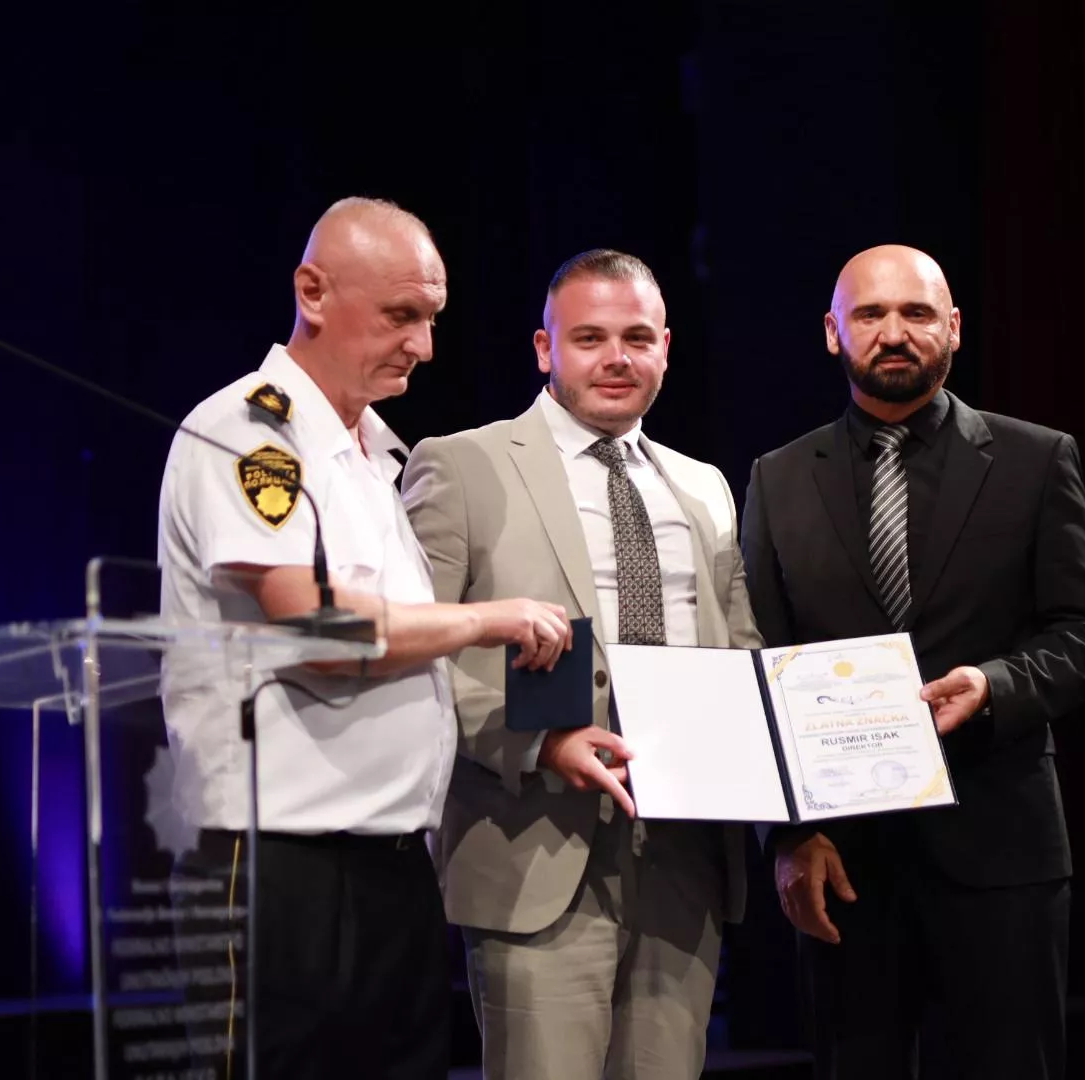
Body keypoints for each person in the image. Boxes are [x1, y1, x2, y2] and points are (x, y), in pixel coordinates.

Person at [155, 197, 573, 1079]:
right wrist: (486, 619)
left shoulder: (376, 456)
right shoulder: (250, 433)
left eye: (432, 318)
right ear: (312, 291)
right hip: (275, 862)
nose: (424, 345)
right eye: (400, 315)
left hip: (391, 858)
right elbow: (314, 625)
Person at [739, 244, 1085, 1079]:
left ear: (953, 328)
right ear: (832, 333)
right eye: (870, 314)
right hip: (844, 859)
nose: (894, 332)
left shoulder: (1036, 460)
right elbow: (758, 663)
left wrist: (996, 685)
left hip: (1001, 847)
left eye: (916, 313)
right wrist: (790, 837)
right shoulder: (777, 479)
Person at [401, 249, 762, 1080]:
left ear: (666, 347)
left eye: (637, 338)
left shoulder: (704, 485)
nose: (616, 358)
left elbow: (740, 651)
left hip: (684, 858)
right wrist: (540, 744)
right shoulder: (461, 464)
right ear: (544, 349)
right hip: (533, 845)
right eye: (589, 338)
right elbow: (420, 651)